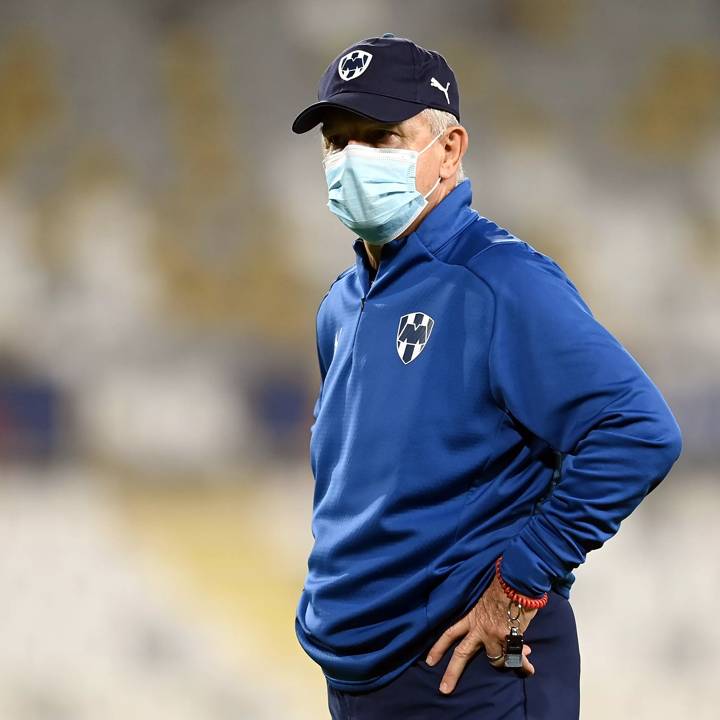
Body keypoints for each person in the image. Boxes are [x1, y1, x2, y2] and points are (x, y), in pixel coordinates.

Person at [291, 34, 682, 720]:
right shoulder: (341, 305)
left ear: (449, 149)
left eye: (380, 137)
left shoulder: (500, 283)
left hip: (467, 675)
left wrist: (520, 586)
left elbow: (638, 430)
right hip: (356, 676)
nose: (351, 160)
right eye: (337, 141)